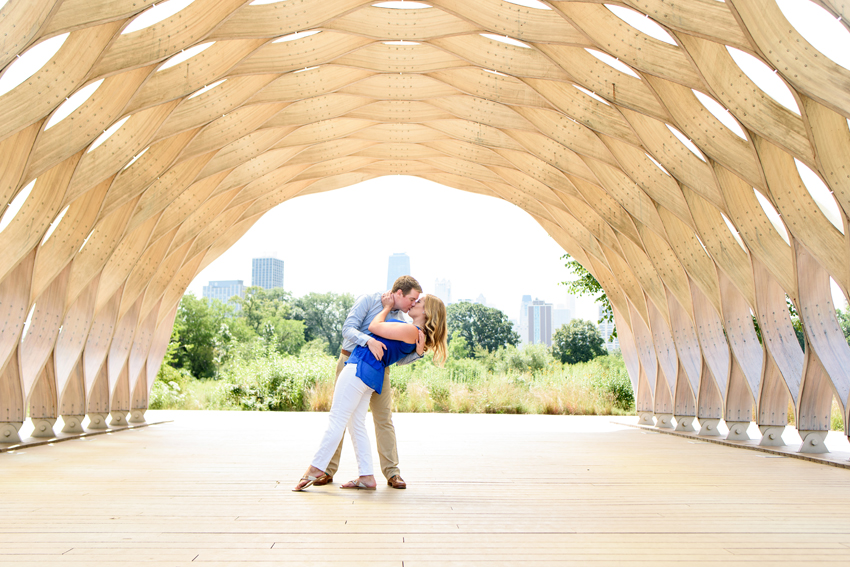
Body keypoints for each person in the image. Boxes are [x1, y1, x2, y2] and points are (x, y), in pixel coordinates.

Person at [294, 292, 447, 491]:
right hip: (370, 373)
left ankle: (315, 469)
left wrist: (385, 308)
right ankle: (366, 476)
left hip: (360, 368)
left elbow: (374, 327)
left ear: (427, 311)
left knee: (337, 419)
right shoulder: (415, 332)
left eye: (420, 302)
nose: (414, 303)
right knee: (355, 424)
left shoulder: (411, 330)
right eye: (415, 299)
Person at [312, 276, 423, 490]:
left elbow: (399, 358)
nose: (413, 304)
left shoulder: (401, 319)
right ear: (398, 293)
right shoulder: (369, 300)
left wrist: (418, 354)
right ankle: (327, 470)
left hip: (380, 369)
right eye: (411, 298)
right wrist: (368, 340)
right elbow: (348, 329)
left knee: (384, 419)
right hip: (350, 362)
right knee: (342, 417)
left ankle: (392, 473)